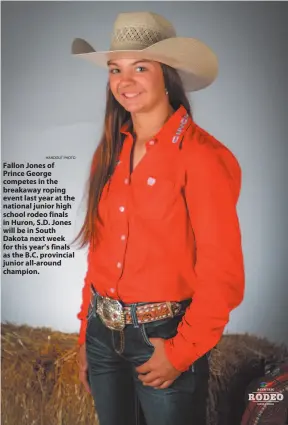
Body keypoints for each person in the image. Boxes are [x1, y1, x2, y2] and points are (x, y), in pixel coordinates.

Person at [71, 11, 245, 425]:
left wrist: (181, 352)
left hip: (163, 338)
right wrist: (86, 336)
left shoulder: (203, 157)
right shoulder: (109, 152)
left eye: (140, 67)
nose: (124, 81)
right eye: (116, 69)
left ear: (167, 75)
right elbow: (101, 250)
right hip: (101, 333)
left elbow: (223, 273)